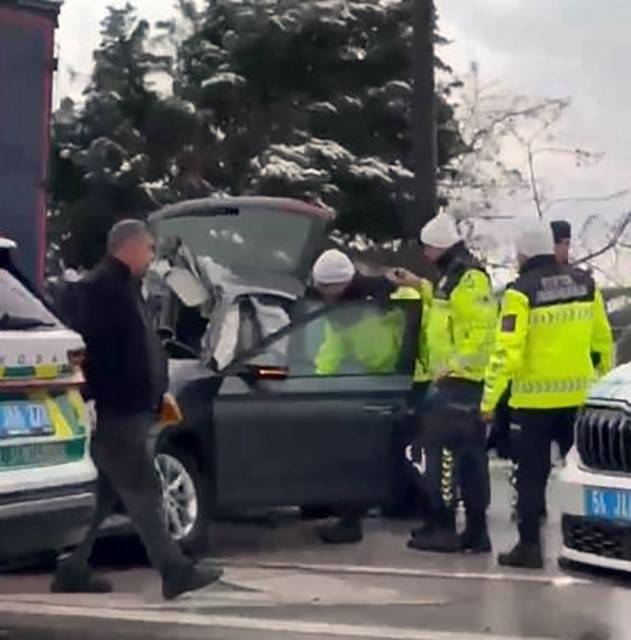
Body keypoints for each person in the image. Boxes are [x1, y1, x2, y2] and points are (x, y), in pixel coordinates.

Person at [51, 220, 222, 599]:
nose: (151, 257)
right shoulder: (98, 291)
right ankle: (174, 570)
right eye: (148, 250)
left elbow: (141, 346)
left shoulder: (127, 289)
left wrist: (159, 392)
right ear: (127, 247)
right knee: (143, 489)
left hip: (134, 406)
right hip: (116, 410)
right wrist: (92, 397)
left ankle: (73, 567)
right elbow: (84, 349)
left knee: (107, 493)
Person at [481, 222, 614, 569]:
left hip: (534, 404)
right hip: (579, 400)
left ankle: (529, 548)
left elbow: (506, 351)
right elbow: (601, 340)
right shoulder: (586, 284)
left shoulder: (519, 292)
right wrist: (601, 390)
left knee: (531, 477)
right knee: (587, 475)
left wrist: (489, 400)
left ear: (523, 253)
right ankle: (598, 544)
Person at [308, 249, 430, 543]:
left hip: (413, 379)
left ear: (340, 283)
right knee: (374, 449)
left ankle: (422, 509)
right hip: (377, 381)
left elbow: (421, 316)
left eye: (326, 287)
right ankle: (367, 513)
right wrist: (316, 382)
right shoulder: (338, 313)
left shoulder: (387, 295)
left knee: (415, 450)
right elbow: (332, 349)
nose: (323, 293)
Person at [406, 215, 498, 554]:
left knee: (444, 456)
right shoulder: (453, 277)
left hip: (461, 383)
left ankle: (446, 528)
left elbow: (481, 334)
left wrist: (454, 367)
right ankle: (474, 530)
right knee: (469, 458)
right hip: (457, 383)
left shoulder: (469, 278)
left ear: (440, 245)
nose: (426, 255)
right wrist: (422, 287)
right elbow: (447, 318)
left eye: (428, 248)